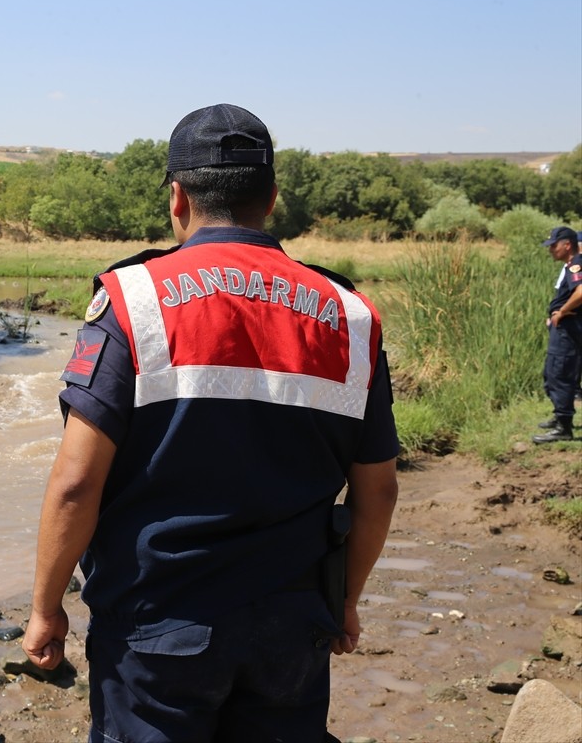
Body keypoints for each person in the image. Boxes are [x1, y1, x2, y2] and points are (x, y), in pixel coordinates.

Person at [23, 104, 400, 743]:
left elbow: (75, 485)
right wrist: (346, 602)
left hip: (159, 623)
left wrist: (44, 608)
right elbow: (379, 492)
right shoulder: (350, 316)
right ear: (272, 198)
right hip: (292, 624)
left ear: (177, 198)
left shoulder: (132, 301)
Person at [532, 226, 582, 444]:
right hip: (564, 328)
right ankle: (560, 416)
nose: (551, 250)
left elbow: (581, 291)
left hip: (568, 329)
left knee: (559, 373)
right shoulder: (571, 264)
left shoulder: (576, 265)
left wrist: (561, 311)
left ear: (566, 245)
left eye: (554, 245)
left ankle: (564, 427)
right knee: (552, 373)